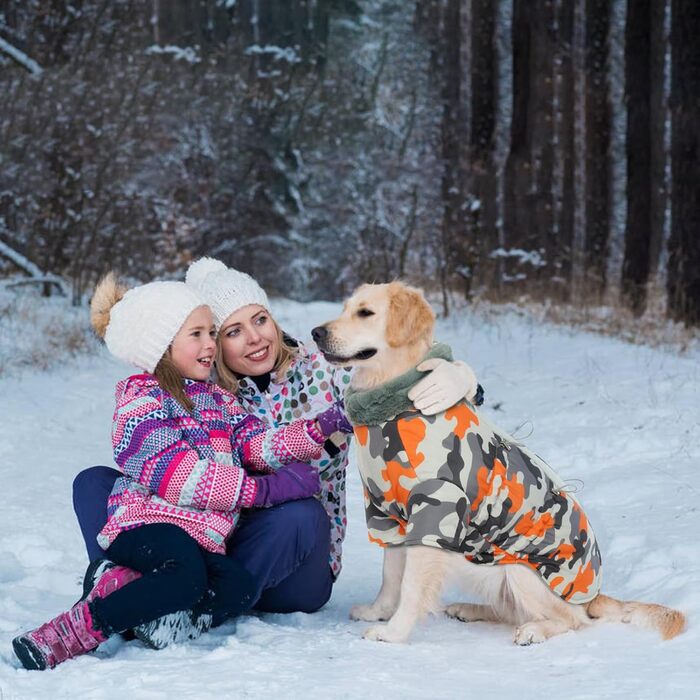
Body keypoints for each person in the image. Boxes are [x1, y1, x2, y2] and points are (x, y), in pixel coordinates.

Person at [72, 258, 483, 647]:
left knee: (300, 513)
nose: (254, 337)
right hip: (204, 542)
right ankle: (132, 586)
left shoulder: (326, 367)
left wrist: (461, 378)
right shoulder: (199, 381)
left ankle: (156, 603)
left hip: (290, 554)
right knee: (96, 482)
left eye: (260, 319)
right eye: (231, 331)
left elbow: (397, 367)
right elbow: (168, 464)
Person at [13, 275, 350, 670]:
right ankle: (80, 627)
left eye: (212, 332)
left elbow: (258, 444)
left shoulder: (218, 399)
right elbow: (182, 476)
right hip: (151, 524)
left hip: (202, 537)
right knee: (185, 577)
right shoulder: (142, 400)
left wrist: (321, 426)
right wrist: (268, 490)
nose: (211, 343)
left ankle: (163, 615)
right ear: (161, 345)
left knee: (236, 587)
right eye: (199, 334)